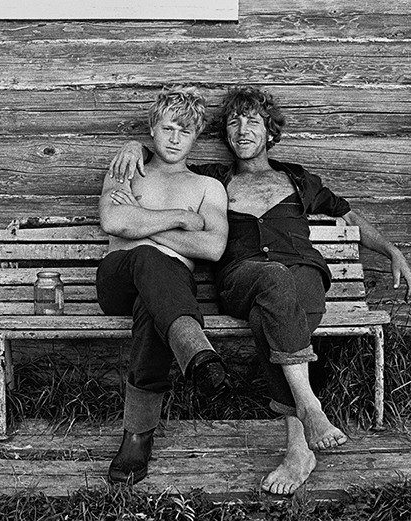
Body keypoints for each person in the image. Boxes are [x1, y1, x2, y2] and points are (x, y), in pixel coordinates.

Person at [109, 86, 411, 495]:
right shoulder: (214, 179)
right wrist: (133, 144)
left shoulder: (297, 179)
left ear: (270, 132)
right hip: (242, 276)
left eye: (253, 120)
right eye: (234, 121)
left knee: (272, 307)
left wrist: (392, 249)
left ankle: (297, 449)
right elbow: (167, 153)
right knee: (273, 280)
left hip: (302, 272)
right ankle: (308, 407)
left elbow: (348, 214)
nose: (243, 128)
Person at [96, 86, 229, 485]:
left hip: (165, 296)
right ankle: (195, 348)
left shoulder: (208, 188)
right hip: (117, 279)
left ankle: (137, 437)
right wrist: (179, 218)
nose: (174, 138)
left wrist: (144, 220)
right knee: (149, 259)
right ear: (153, 128)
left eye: (184, 132)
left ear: (196, 137)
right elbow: (114, 223)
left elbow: (214, 246)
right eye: (168, 127)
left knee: (152, 308)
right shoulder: (127, 167)